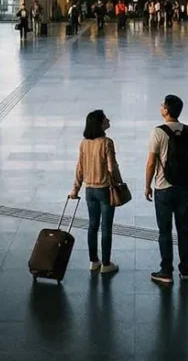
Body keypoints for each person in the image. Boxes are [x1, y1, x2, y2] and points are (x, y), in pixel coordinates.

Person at [144, 94, 188, 285]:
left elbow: (151, 162)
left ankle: (166, 271)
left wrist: (147, 186)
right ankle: (185, 270)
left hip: (163, 188)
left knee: (164, 231)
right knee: (184, 229)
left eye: (162, 106)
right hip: (184, 188)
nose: (160, 108)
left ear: (166, 110)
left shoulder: (158, 132)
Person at [69, 110, 121, 275]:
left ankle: (93, 261)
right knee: (106, 227)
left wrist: (75, 189)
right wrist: (119, 183)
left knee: (92, 226)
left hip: (89, 190)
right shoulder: (106, 142)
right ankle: (106, 264)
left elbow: (80, 168)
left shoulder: (84, 143)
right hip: (104, 189)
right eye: (105, 118)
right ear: (99, 123)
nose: (108, 119)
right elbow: (112, 168)